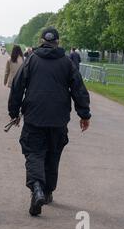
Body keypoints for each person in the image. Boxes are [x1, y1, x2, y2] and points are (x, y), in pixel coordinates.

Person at [8, 27, 91, 217]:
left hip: (34, 118)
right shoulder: (67, 62)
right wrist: (84, 114)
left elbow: (17, 87)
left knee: (34, 153)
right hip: (58, 119)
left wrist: (14, 112)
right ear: (58, 42)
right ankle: (47, 192)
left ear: (40, 41)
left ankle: (37, 187)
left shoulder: (31, 61)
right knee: (53, 155)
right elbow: (79, 89)